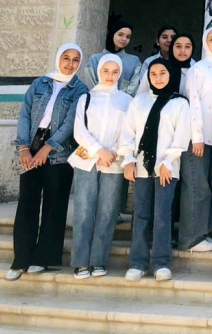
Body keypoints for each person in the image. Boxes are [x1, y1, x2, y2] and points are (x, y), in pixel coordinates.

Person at [6, 44, 89, 281]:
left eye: (75, 60)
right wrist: (24, 147)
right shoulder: (40, 83)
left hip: (60, 153)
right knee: (27, 205)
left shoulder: (80, 89)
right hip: (31, 148)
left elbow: (70, 123)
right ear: (58, 58)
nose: (70, 63)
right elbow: (25, 114)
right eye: (66, 58)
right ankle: (21, 259)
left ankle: (43, 258)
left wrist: (47, 148)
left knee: (55, 206)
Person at [120, 59, 190, 282]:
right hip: (141, 167)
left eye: (162, 73)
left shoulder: (179, 103)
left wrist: (168, 161)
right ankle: (138, 263)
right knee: (140, 214)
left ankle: (161, 263)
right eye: (154, 74)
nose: (158, 78)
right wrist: (128, 159)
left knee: (162, 215)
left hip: (166, 168)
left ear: (170, 75)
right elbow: (128, 132)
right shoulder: (138, 102)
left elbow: (182, 136)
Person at [69, 54, 133, 278]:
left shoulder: (126, 101)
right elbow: (79, 129)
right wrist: (99, 151)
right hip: (88, 160)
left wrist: (112, 152)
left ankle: (98, 260)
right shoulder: (86, 98)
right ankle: (80, 262)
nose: (110, 76)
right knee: (84, 210)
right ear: (99, 71)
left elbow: (128, 131)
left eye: (115, 72)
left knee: (107, 211)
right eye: (106, 71)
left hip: (113, 162)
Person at [180, 27, 212, 252]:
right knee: (196, 187)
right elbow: (193, 102)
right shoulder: (197, 69)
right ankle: (190, 239)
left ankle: (203, 233)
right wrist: (197, 137)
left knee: (208, 188)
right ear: (205, 42)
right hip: (198, 139)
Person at [84, 19, 143, 96]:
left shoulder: (134, 61)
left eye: (128, 37)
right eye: (120, 34)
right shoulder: (94, 59)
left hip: (123, 103)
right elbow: (91, 86)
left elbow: (133, 89)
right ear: (112, 34)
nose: (124, 39)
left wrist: (117, 99)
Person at [137, 25, 177, 96]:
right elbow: (144, 87)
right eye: (164, 37)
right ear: (157, 41)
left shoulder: (190, 63)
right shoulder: (148, 62)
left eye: (173, 37)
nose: (169, 40)